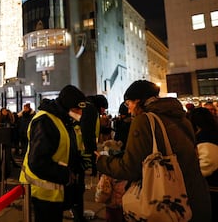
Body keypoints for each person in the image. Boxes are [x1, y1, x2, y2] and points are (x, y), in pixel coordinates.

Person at [95, 80, 211, 221]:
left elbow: (130, 168)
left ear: (138, 101)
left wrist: (101, 161)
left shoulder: (144, 120)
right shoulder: (181, 118)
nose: (129, 109)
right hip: (195, 195)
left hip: (168, 202)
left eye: (128, 104)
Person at [19, 85, 87, 222]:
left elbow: (65, 148)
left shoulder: (64, 120)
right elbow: (37, 162)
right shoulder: (46, 121)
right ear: (66, 106)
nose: (80, 113)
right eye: (76, 109)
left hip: (56, 190)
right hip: (44, 191)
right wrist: (65, 174)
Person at [189, 107, 218, 222]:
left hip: (212, 187)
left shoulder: (205, 136)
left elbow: (208, 162)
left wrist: (194, 177)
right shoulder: (211, 132)